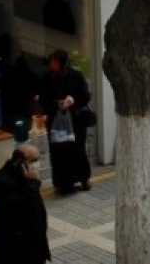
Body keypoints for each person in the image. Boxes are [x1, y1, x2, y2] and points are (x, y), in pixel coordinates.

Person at [38, 49, 92, 194]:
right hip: (56, 121)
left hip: (75, 121)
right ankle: (63, 183)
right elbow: (43, 99)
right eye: (51, 61)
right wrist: (56, 103)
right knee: (59, 153)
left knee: (78, 150)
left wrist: (72, 101)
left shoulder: (76, 76)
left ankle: (83, 178)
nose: (52, 64)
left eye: (55, 61)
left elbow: (85, 96)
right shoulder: (47, 78)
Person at [0, 144, 50, 263]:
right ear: (19, 161)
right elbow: (18, 209)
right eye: (33, 161)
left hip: (33, 247)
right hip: (15, 249)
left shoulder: (24, 177)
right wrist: (32, 184)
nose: (35, 165)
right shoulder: (2, 182)